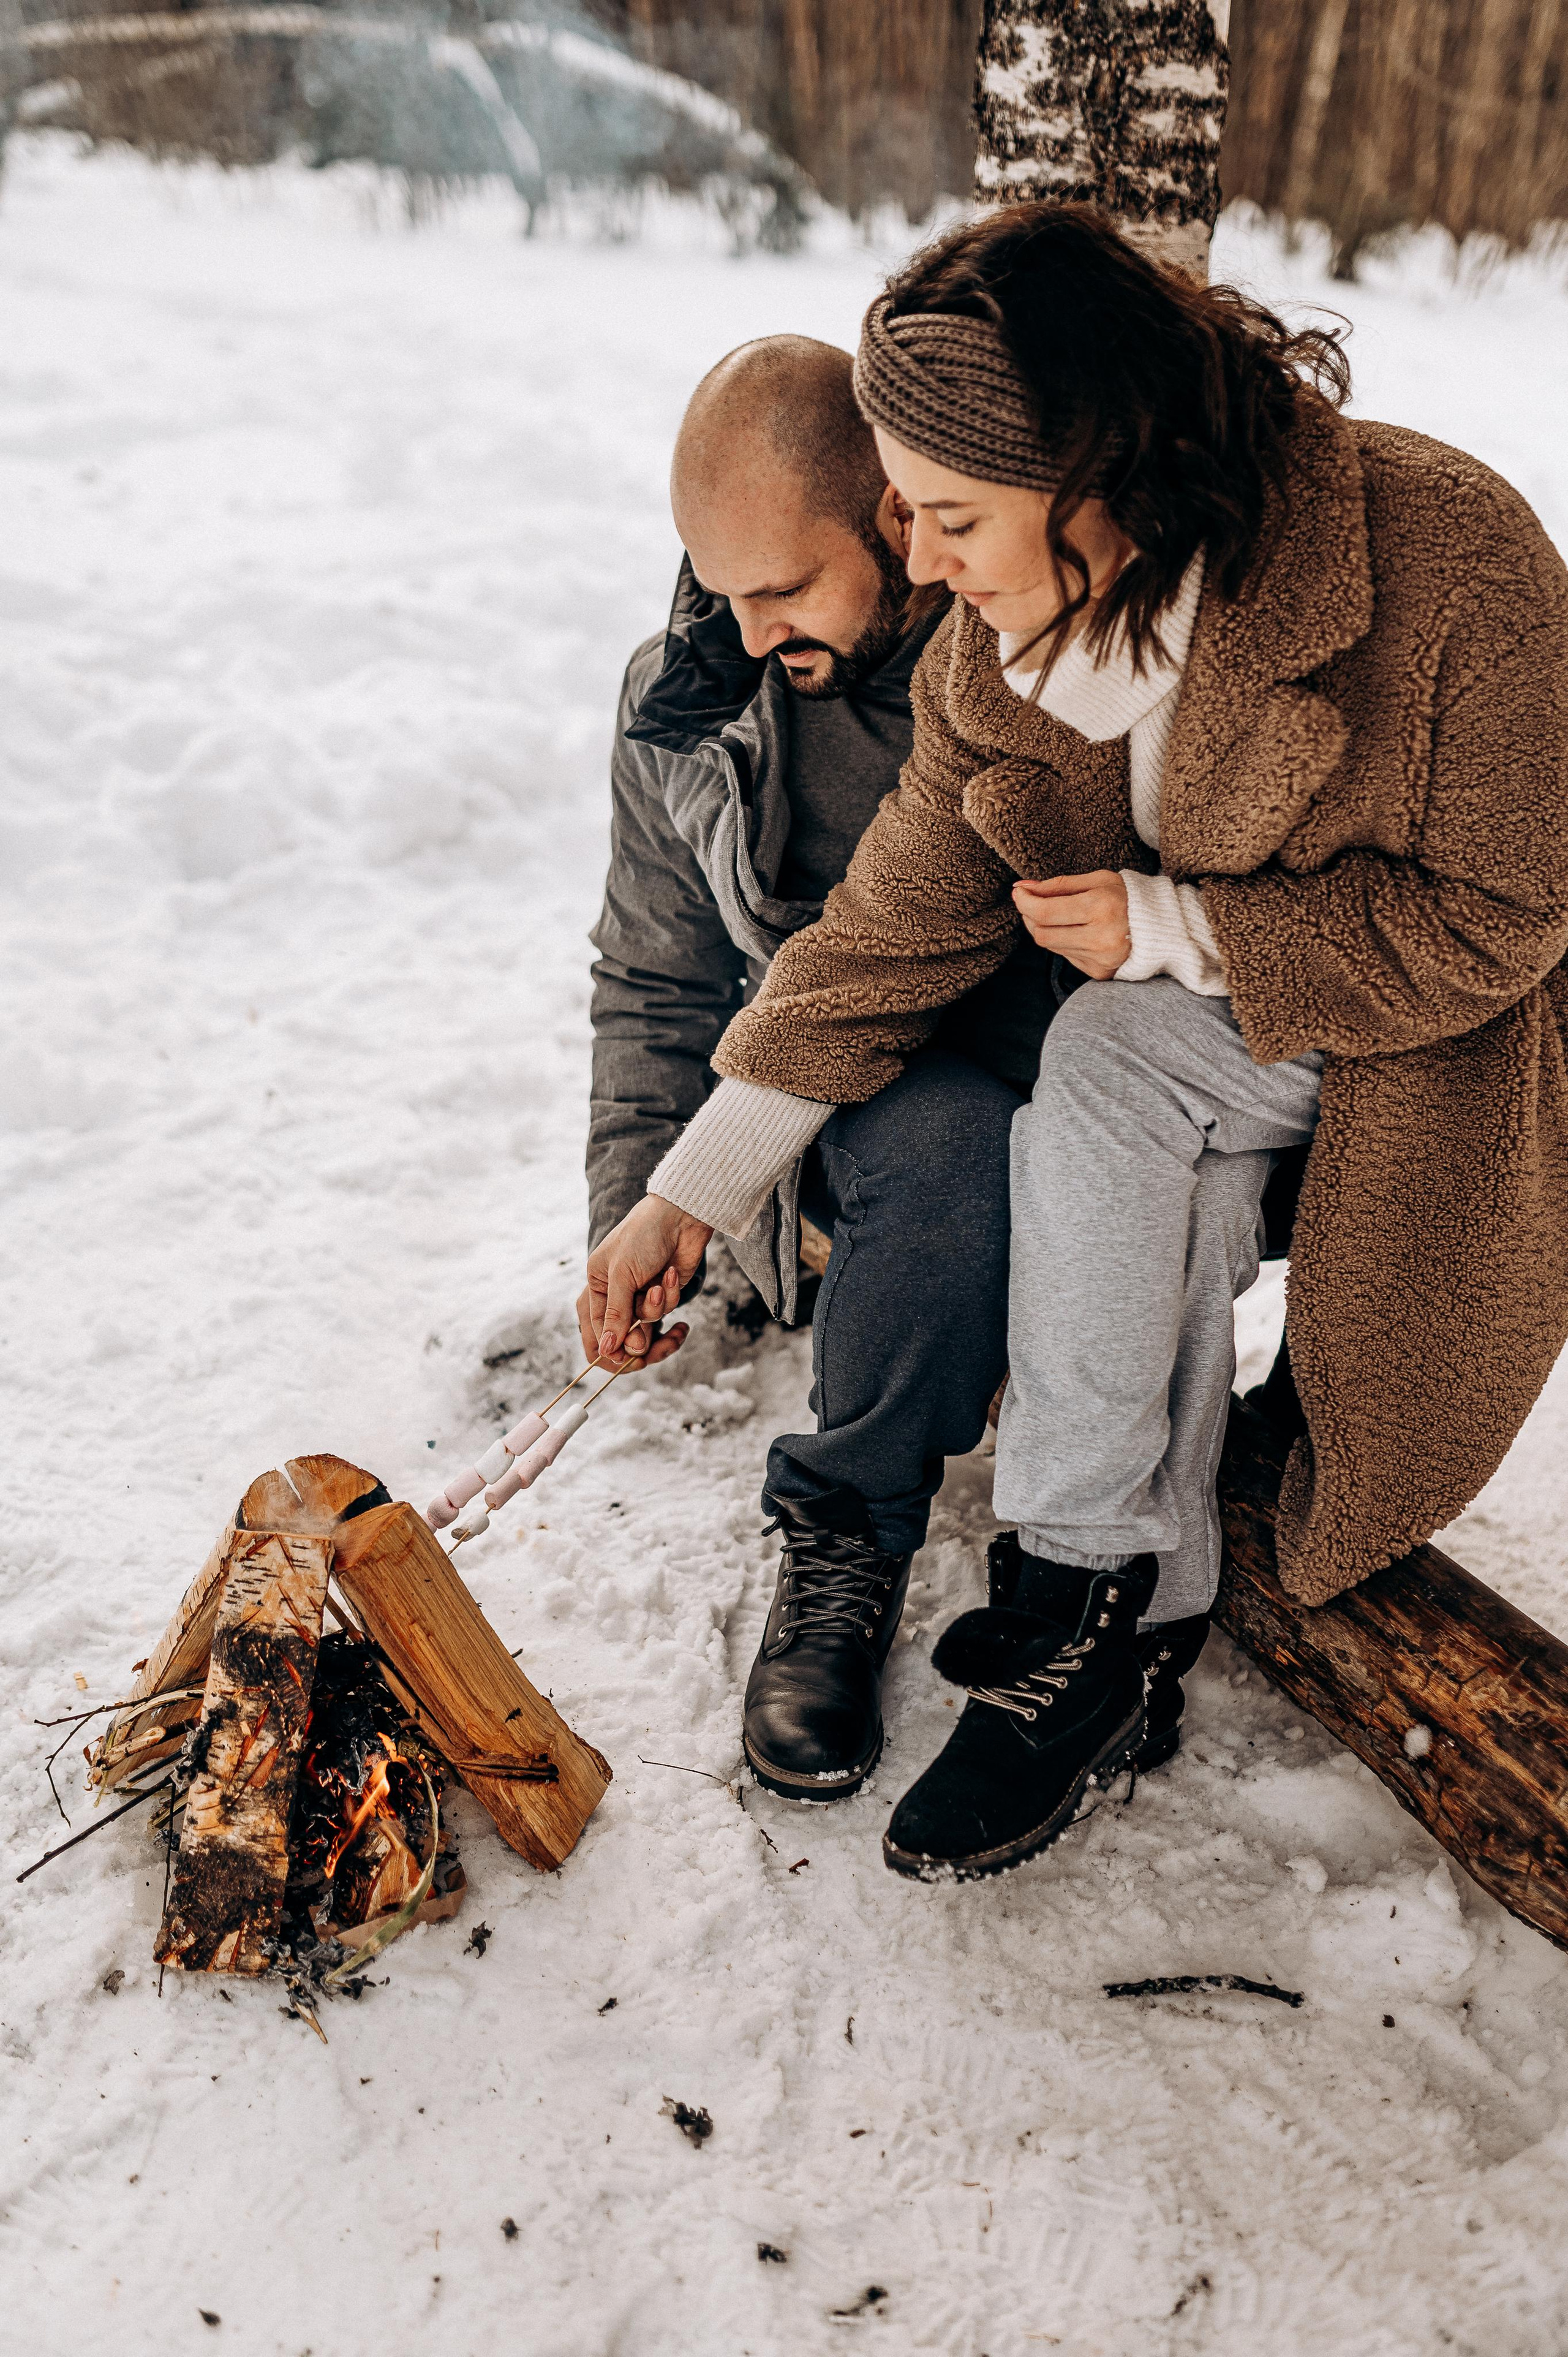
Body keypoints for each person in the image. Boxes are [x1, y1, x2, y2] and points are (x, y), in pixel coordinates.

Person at [585, 205, 1568, 1882]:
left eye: (953, 517)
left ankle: (1111, 1601)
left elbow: (1510, 914)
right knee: (1110, 1072)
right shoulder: (1002, 650)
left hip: (1436, 1037)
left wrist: (1187, 930)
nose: (927, 562)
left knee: (1120, 1040)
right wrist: (688, 1187)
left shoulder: (1449, 554)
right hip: (1183, 1034)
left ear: (1100, 473)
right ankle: (1090, 1619)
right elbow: (884, 928)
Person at [584, 334, 1086, 1806]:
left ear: (894, 518)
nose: (745, 637)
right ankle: (843, 1545)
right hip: (834, 1103)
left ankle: (1102, 1588)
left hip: (1055, 1068)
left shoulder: (1015, 652)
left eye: (782, 591)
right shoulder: (688, 701)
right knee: (931, 1140)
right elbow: (655, 976)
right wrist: (640, 1204)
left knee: (987, 1131)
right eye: (718, 587)